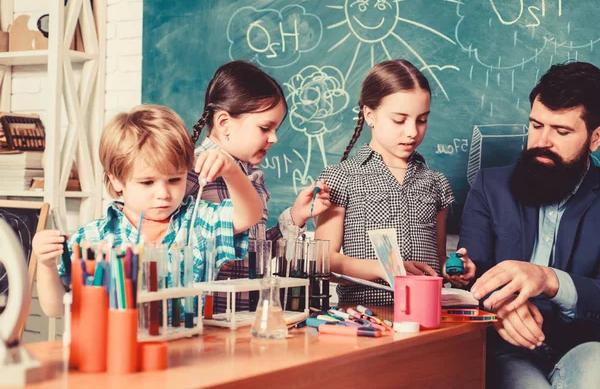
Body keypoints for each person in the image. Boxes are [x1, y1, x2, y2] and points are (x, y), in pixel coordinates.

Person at [33, 105, 263, 318]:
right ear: (116, 181)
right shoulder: (92, 238)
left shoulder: (198, 222)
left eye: (174, 179)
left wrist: (231, 171)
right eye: (147, 182)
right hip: (116, 354)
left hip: (187, 352)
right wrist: (46, 265)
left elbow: (249, 215)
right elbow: (56, 309)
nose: (163, 193)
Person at [459, 61, 600, 388]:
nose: (542, 141)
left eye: (562, 131)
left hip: (583, 345)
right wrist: (499, 305)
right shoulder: (489, 186)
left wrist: (548, 279)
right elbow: (468, 275)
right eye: (536, 125)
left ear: (595, 139)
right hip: (506, 350)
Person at [315, 59, 475, 306]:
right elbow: (323, 260)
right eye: (399, 120)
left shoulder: (436, 183)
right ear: (370, 115)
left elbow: (439, 257)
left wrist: (453, 268)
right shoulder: (341, 177)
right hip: (366, 315)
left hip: (428, 314)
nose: (412, 131)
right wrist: (382, 268)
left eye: (421, 120)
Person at [187, 60, 330, 311]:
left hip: (247, 318)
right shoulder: (189, 175)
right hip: (206, 321)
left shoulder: (253, 176)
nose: (273, 138)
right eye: (265, 127)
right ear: (224, 123)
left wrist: (296, 217)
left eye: (275, 128)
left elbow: (257, 256)